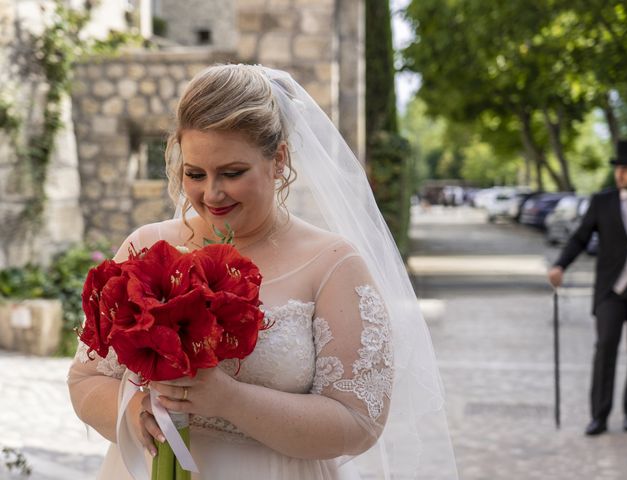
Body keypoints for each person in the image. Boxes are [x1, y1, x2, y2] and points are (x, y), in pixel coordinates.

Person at [67, 64, 457, 479]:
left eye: (232, 173)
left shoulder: (332, 264)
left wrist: (229, 399)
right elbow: (85, 379)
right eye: (195, 174)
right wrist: (133, 410)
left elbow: (359, 423)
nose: (211, 194)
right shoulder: (147, 246)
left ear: (279, 160)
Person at [548, 139, 627, 436]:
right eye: (617, 169)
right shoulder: (602, 202)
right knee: (605, 348)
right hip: (610, 290)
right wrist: (560, 265)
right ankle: (599, 415)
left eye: (625, 169)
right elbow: (580, 237)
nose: (619, 174)